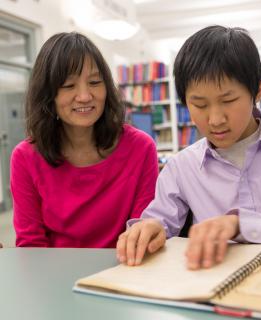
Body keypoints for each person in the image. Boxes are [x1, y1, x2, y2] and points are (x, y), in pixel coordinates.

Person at [116, 25, 261, 270]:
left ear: (258, 91)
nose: (215, 120)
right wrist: (148, 230)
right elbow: (159, 220)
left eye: (228, 101)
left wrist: (240, 224)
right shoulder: (182, 168)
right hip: (215, 289)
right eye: (200, 105)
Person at [10, 32, 158, 247]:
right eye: (69, 86)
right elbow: (32, 245)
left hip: (125, 271)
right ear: (48, 95)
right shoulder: (25, 157)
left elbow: (142, 233)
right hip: (55, 276)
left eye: (95, 82)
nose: (85, 96)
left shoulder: (140, 148)